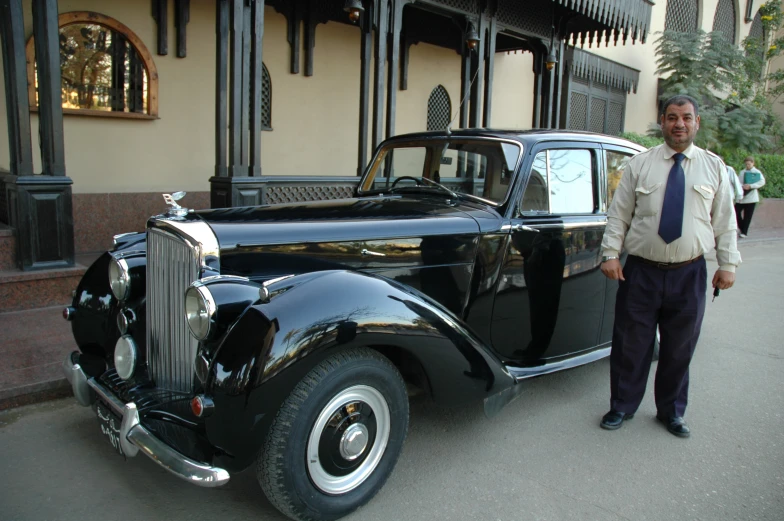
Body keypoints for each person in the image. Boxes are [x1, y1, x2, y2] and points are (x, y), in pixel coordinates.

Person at [598, 95, 740, 438]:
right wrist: (610, 253)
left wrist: (728, 264)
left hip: (689, 273)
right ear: (662, 122)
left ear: (696, 123)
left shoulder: (713, 167)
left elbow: (725, 220)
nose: (680, 124)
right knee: (632, 344)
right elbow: (619, 214)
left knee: (680, 347)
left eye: (687, 118)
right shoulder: (639, 165)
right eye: (673, 117)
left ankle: (671, 412)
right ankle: (622, 405)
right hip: (641, 272)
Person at [735, 156, 766, 238]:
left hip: (751, 197)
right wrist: (743, 186)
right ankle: (741, 228)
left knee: (747, 216)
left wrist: (751, 186)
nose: (748, 165)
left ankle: (744, 232)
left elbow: (762, 182)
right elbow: (738, 182)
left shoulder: (757, 172)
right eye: (746, 164)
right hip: (742, 197)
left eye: (749, 164)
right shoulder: (742, 172)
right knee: (736, 211)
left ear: (753, 163)